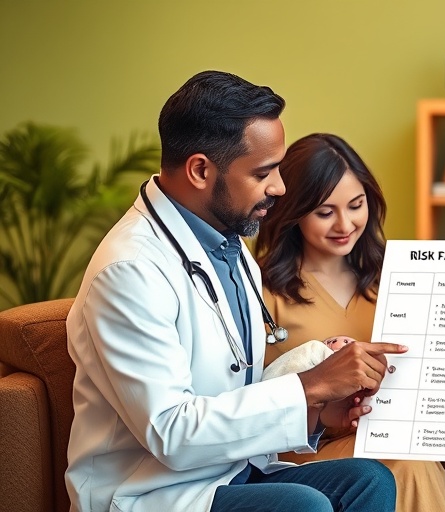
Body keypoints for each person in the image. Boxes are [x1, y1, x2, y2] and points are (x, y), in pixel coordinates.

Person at [65, 70, 405, 512]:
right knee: (303, 507)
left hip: (226, 470)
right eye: (264, 172)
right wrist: (308, 386)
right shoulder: (129, 271)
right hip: (150, 490)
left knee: (367, 480)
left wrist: (318, 409)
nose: (280, 187)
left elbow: (232, 383)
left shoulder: (227, 246)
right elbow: (171, 432)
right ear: (201, 170)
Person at [255, 133, 445, 512]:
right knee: (407, 467)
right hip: (309, 452)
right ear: (294, 213)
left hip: (399, 438)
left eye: (356, 205)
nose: (344, 224)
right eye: (325, 212)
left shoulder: (397, 277)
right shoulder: (262, 290)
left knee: (412, 462)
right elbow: (250, 398)